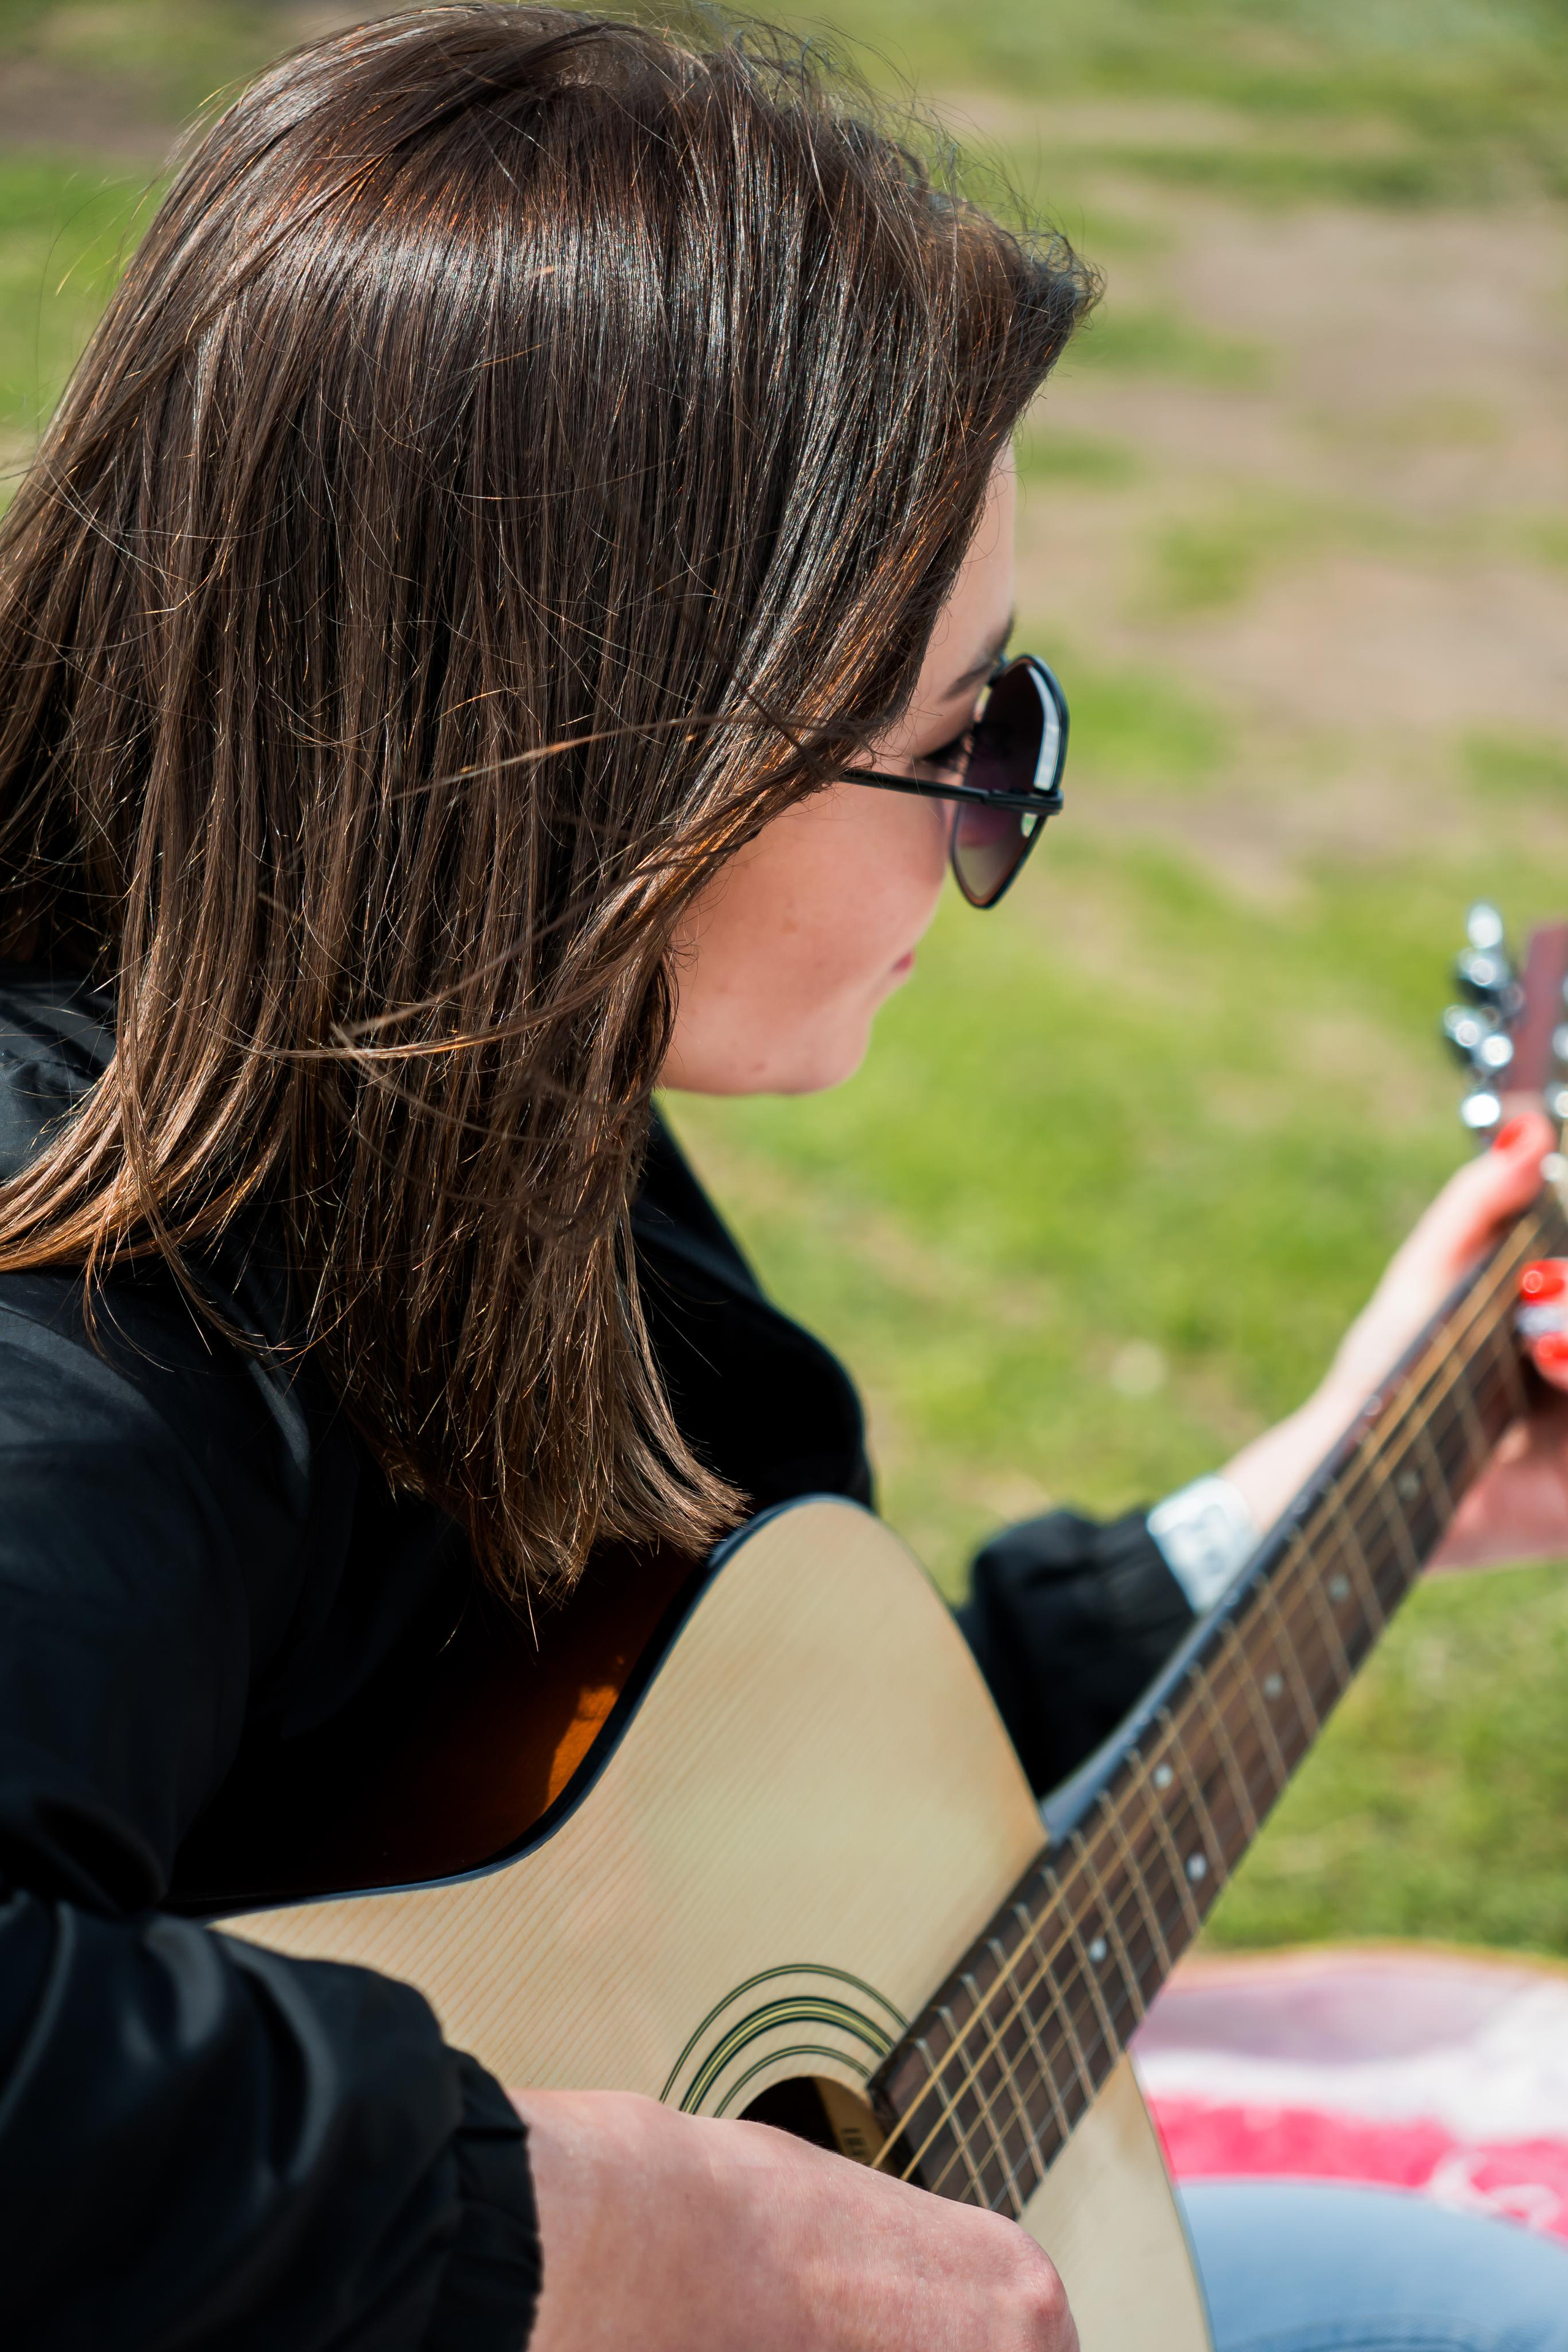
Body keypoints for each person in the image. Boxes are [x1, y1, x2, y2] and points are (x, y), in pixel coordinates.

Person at [2, 9, 1567, 2348]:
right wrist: (607, 2225)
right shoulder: (79, 1296)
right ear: (607, 760)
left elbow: (731, 1841)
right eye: (968, 734)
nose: (1008, 818)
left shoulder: (476, 1092)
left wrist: (1329, 1496)